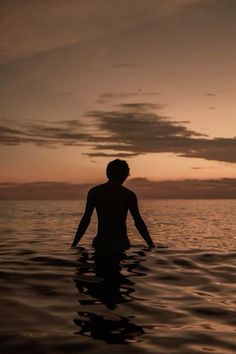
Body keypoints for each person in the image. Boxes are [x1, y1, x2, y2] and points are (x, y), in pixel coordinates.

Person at [71, 159, 155, 250]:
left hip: (100, 242)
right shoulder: (128, 195)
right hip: (120, 242)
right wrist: (151, 245)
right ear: (125, 175)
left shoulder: (94, 192)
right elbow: (138, 222)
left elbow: (86, 219)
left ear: (107, 173)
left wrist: (74, 245)